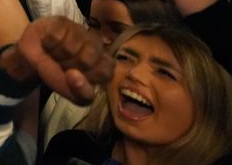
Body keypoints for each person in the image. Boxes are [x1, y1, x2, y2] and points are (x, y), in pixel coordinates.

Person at [43, 24, 232, 165]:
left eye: (165, 73)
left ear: (206, 102)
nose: (134, 74)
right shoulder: (70, 149)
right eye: (124, 58)